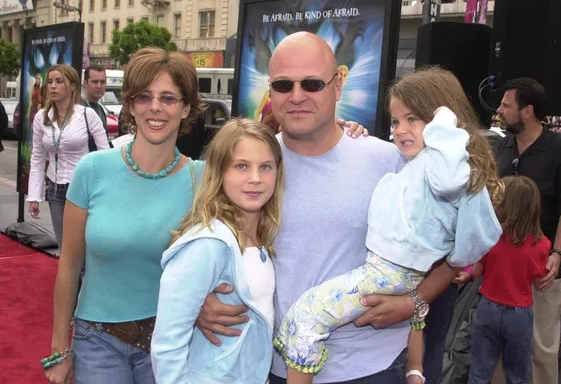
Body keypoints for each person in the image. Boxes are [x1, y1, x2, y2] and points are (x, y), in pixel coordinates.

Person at [197, 32, 488, 384]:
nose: (297, 96)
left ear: (337, 86)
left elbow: (453, 247)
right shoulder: (250, 167)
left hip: (375, 367)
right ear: (270, 92)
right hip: (271, 366)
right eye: (284, 85)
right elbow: (206, 244)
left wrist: (416, 301)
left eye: (312, 83)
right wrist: (202, 301)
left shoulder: (391, 160)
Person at [274, 74, 503, 384]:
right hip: (389, 275)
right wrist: (346, 130)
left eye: (413, 119)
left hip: (390, 276)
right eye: (395, 122)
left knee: (306, 317)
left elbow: (469, 233)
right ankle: (414, 371)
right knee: (307, 318)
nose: (401, 130)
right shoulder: (414, 163)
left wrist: (445, 127)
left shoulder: (447, 171)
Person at [43, 47, 204, 384]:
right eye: (144, 97)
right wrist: (60, 349)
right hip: (97, 341)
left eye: (168, 98)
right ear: (131, 104)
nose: (155, 107)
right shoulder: (92, 170)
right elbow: (69, 266)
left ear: (186, 107)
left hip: (171, 343)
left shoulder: (203, 180)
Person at [151, 119, 284, 383]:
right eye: (242, 166)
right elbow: (167, 346)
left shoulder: (263, 234)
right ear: (220, 172)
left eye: (265, 167)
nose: (255, 179)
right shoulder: (207, 244)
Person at [493, 78, 561, 384]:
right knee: (498, 345)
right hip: (501, 269)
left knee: (541, 346)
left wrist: (557, 254)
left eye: (506, 104)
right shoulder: (503, 147)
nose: (500, 110)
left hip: (542, 269)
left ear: (527, 111)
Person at [468, 175, 549, 384]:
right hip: (519, 314)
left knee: (480, 370)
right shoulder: (542, 245)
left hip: (488, 307)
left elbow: (476, 271)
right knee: (517, 374)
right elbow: (539, 279)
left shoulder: (492, 237)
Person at [26, 64, 109, 253]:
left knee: (84, 245)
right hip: (55, 190)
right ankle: (71, 283)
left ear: (72, 86)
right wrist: (34, 197)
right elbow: (38, 158)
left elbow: (105, 156)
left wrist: (104, 192)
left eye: (59, 81)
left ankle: (86, 282)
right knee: (65, 248)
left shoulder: (87, 115)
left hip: (83, 189)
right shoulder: (41, 117)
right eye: (50, 82)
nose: (53, 86)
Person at [82, 64, 108, 132]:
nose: (99, 86)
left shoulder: (101, 109)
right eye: (95, 82)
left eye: (102, 82)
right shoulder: (78, 108)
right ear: (85, 83)